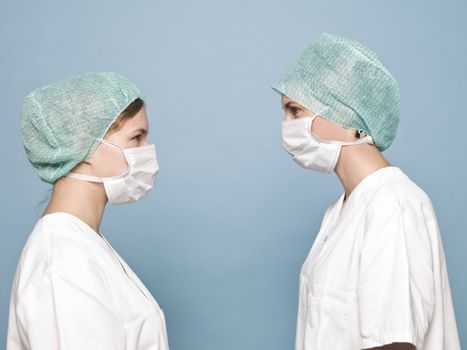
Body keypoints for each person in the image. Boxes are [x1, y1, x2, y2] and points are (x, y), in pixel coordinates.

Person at [272, 33, 461, 350]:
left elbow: (393, 343)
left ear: (347, 115)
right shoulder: (340, 212)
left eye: (295, 111)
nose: (286, 125)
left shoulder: (393, 206)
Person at [7, 72, 169, 349]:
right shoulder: (67, 264)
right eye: (137, 137)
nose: (148, 150)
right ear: (86, 145)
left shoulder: (82, 243)